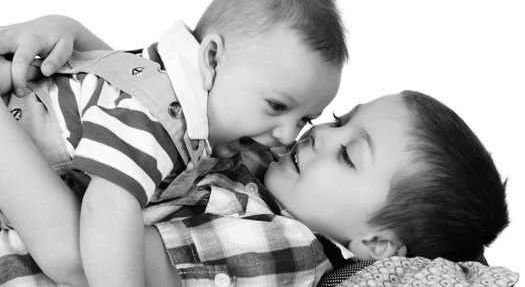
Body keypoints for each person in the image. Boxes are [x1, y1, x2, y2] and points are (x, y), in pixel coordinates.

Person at [0, 0, 347, 287]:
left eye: (304, 119)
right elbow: (104, 211)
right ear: (212, 59)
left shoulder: (164, 87)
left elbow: (111, 77)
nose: (288, 135)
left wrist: (70, 28)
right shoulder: (165, 120)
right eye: (276, 106)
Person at [0, 90, 509, 286]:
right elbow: (157, 103)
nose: (320, 134)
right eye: (339, 120)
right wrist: (73, 35)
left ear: (375, 246)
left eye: (349, 155)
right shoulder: (257, 165)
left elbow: (78, 258)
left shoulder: (289, 248)